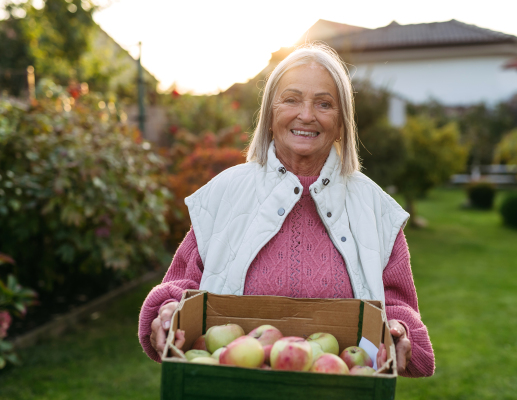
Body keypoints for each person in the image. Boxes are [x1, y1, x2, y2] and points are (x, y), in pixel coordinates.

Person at [138, 44, 435, 377]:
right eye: (291, 99)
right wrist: (168, 312)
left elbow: (398, 308)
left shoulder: (376, 210)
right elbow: (182, 286)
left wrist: (400, 332)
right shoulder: (225, 194)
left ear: (340, 124)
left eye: (324, 104)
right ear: (269, 115)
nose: (306, 115)